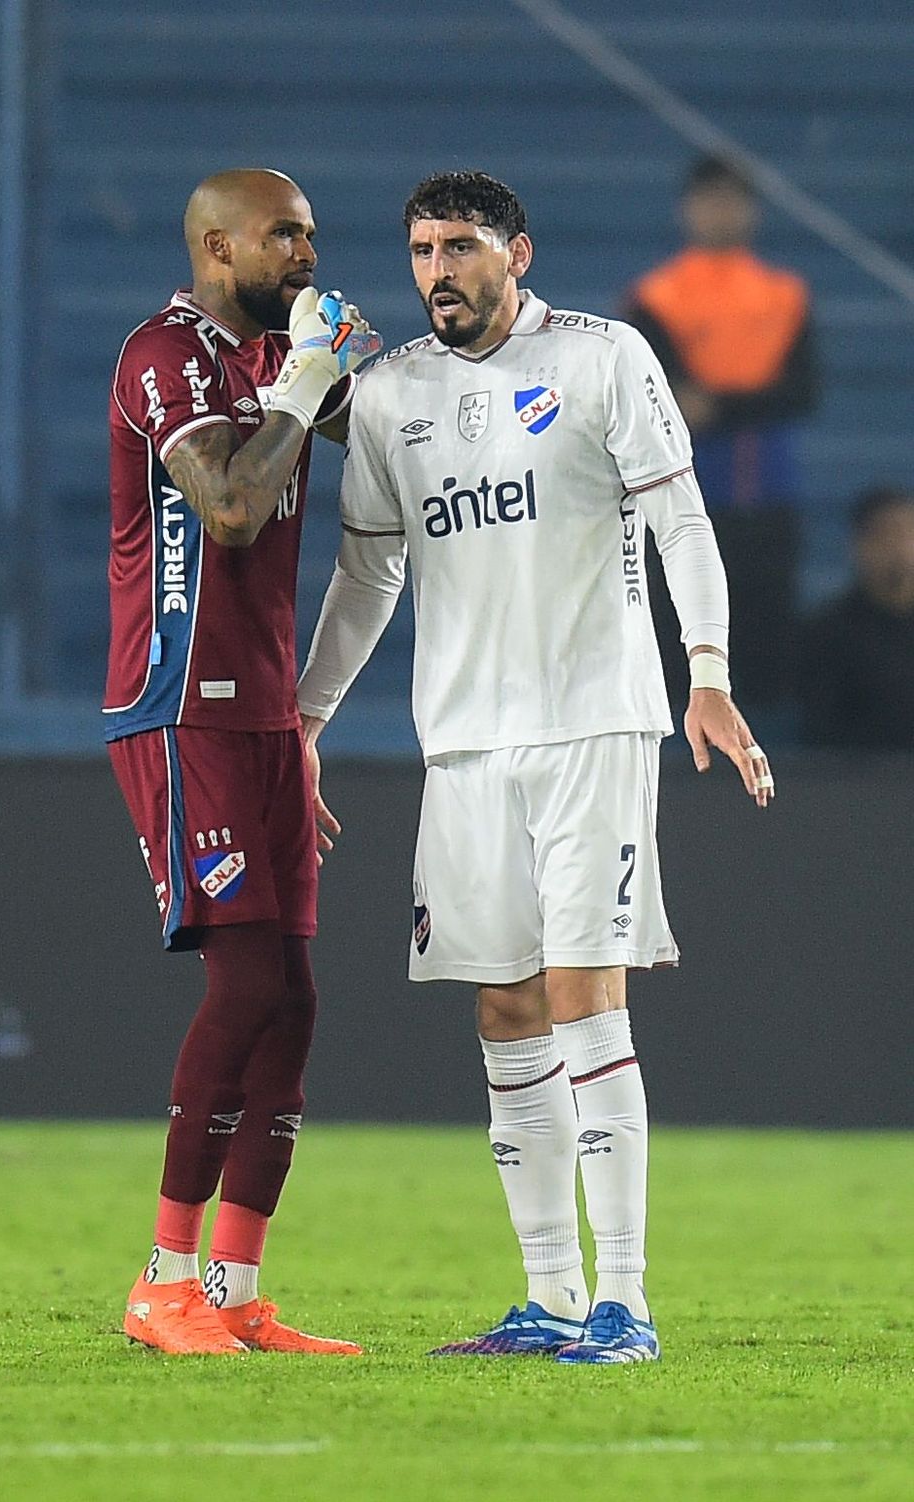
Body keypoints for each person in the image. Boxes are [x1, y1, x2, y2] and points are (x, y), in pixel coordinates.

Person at [297, 171, 773, 1365]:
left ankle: (626, 1302)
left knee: (581, 993)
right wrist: (302, 722)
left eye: (459, 245)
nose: (437, 269)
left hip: (591, 724)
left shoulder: (605, 358)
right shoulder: (395, 391)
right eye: (419, 249)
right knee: (504, 1002)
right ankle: (551, 1297)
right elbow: (368, 577)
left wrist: (704, 668)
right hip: (462, 742)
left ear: (516, 252)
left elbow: (681, 521)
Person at [105, 168, 379, 1356]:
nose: (309, 254)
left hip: (264, 717)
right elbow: (226, 506)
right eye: (286, 235)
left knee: (295, 999)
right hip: (180, 707)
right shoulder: (162, 355)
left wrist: (339, 380)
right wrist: (311, 379)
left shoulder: (279, 361)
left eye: (313, 233)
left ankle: (231, 1287)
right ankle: (159, 1280)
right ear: (219, 246)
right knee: (248, 987)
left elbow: (371, 451)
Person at [626, 155, 819, 708]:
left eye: (732, 200)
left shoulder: (785, 296)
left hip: (769, 503)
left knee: (764, 649)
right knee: (675, 641)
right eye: (709, 200)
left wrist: (717, 405)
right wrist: (736, 401)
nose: (720, 213)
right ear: (689, 209)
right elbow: (660, 395)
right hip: (683, 500)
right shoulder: (656, 297)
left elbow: (802, 392)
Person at [801, 486, 914, 749]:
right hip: (860, 780)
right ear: (859, 544)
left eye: (908, 533)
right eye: (886, 535)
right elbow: (822, 728)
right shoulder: (828, 632)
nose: (899, 547)